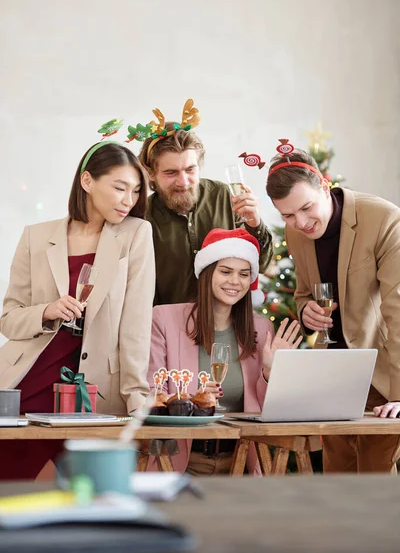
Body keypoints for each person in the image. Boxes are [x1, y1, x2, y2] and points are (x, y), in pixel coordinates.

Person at [0, 138, 155, 479]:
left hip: (94, 392)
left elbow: (135, 326)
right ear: (87, 181)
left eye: (135, 191)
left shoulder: (136, 234)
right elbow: (9, 319)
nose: (128, 201)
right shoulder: (35, 237)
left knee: (90, 498)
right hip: (29, 381)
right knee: (11, 487)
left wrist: (137, 400)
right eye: (119, 188)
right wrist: (47, 311)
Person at [266, 143, 400, 473]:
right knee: (336, 479)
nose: (300, 223)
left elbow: (398, 309)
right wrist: (306, 310)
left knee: (373, 480)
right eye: (287, 215)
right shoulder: (295, 232)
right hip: (334, 376)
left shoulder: (383, 218)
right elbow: (302, 294)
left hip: (382, 374)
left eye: (306, 208)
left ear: (324, 185)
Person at [148, 228, 302, 475]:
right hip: (181, 463)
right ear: (207, 273)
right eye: (225, 271)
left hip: (240, 463)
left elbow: (271, 414)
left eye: (243, 274)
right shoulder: (164, 319)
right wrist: (192, 401)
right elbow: (150, 394)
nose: (234, 281)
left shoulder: (261, 330)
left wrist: (271, 372)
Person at [138, 99, 273, 305]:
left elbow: (263, 264)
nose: (183, 181)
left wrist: (255, 224)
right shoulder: (143, 216)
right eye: (171, 172)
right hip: (170, 328)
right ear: (151, 173)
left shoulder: (224, 196)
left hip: (230, 325)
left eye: (190, 170)